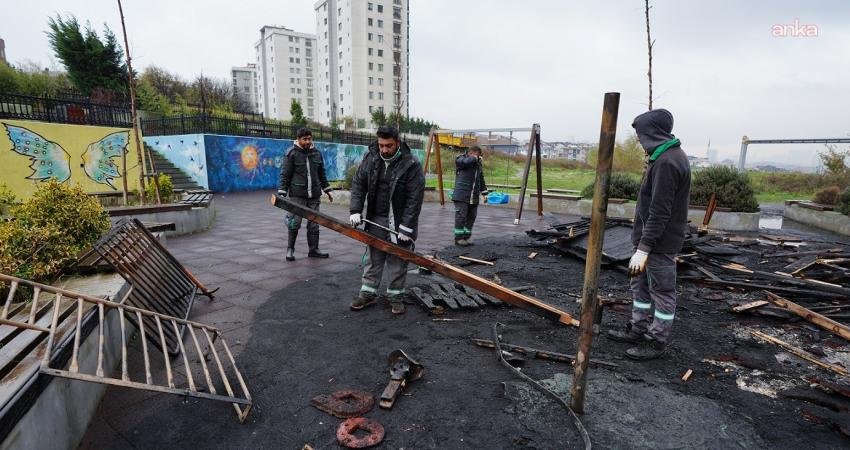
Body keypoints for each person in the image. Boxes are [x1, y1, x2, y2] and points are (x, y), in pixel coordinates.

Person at [606, 108, 691, 360]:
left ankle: (656, 340)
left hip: (659, 245)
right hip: (649, 240)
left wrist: (644, 249)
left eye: (641, 134)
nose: (640, 140)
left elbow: (660, 212)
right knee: (640, 286)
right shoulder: (662, 157)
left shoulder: (668, 162)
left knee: (662, 292)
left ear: (652, 132)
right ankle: (638, 328)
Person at [348, 126, 425, 315]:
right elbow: (358, 183)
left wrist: (406, 227)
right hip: (376, 218)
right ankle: (368, 293)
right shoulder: (371, 158)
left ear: (397, 143)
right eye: (381, 145)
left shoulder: (411, 164)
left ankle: (395, 296)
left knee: (397, 259)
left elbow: (414, 198)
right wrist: (355, 209)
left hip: (399, 221)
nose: (384, 150)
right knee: (373, 258)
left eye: (388, 145)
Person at [278, 127, 333, 262]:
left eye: (309, 138)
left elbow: (322, 174)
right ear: (298, 139)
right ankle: (290, 249)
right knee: (294, 223)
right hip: (297, 195)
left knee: (314, 224)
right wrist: (282, 193)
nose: (308, 141)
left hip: (314, 195)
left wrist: (327, 190)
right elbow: (285, 174)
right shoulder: (291, 153)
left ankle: (314, 250)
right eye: (305, 139)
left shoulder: (317, 154)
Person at [451, 145, 489, 246]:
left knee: (472, 216)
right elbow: (465, 162)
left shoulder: (477, 165)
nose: (479, 157)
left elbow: (481, 179)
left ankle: (466, 237)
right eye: (478, 155)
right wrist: (474, 158)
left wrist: (484, 193)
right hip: (461, 194)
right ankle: (458, 239)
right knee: (461, 216)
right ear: (471, 153)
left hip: (473, 196)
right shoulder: (461, 159)